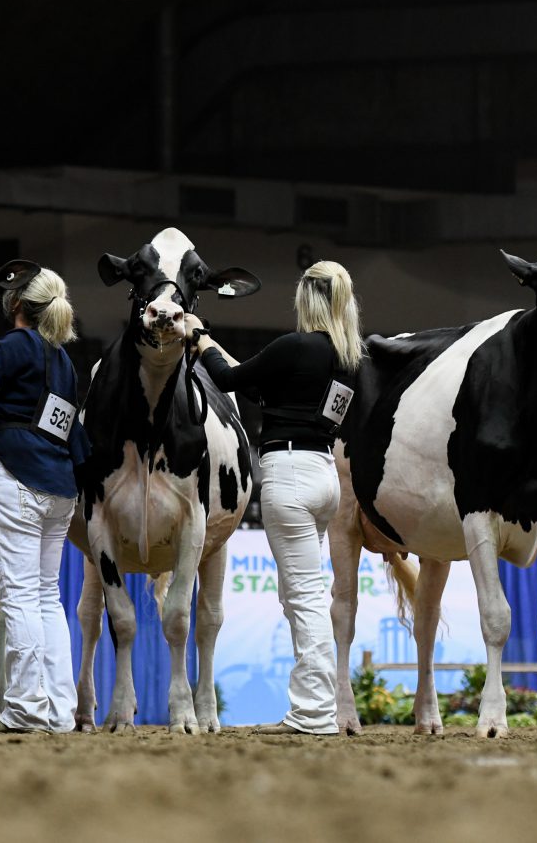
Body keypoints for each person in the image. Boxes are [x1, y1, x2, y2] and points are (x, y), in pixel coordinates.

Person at [182, 261, 363, 736]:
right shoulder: (347, 357)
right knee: (300, 594)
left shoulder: (295, 346)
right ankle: (314, 706)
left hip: (290, 473)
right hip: (324, 475)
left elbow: (227, 379)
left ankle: (314, 713)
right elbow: (292, 400)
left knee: (303, 598)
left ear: (307, 299)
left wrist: (201, 340)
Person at [0, 267, 89, 734]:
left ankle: (26, 707)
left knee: (19, 596)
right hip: (60, 486)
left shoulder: (12, 346)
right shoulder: (64, 361)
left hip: (16, 475)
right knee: (47, 596)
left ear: (16, 307)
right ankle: (58, 710)